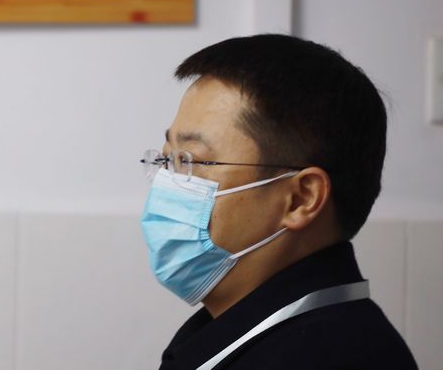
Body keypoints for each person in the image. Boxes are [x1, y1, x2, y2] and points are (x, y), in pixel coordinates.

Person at [140, 34, 417, 369]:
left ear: (300, 199)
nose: (167, 183)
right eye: (168, 159)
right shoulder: (250, 329)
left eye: (191, 161)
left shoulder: (334, 356)